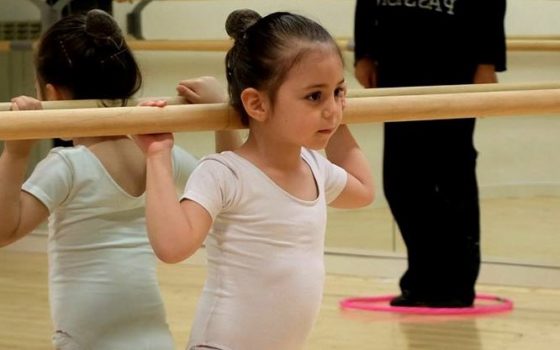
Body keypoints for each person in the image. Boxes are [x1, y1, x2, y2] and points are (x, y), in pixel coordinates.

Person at [134, 9, 375, 350]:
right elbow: (172, 247)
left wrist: (333, 118)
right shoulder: (223, 173)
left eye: (338, 91)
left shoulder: (313, 166)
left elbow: (363, 191)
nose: (333, 107)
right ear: (256, 104)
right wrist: (157, 156)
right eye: (314, 96)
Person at [0, 9, 231, 349]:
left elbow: (5, 230)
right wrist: (220, 113)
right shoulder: (158, 156)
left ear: (52, 94)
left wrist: (16, 153)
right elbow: (225, 187)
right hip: (154, 338)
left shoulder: (68, 165)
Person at [353, 0, 507, 307]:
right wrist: (364, 52)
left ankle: (457, 286)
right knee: (402, 180)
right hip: (396, 58)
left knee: (450, 175)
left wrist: (487, 62)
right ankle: (420, 281)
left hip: (454, 58)